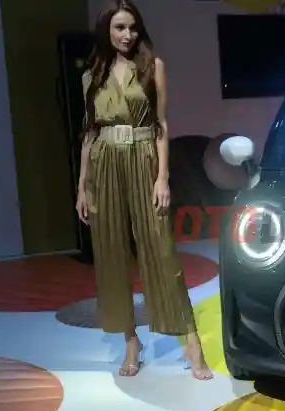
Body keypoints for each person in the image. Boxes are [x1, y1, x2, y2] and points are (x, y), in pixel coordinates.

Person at [75, 0, 212, 380]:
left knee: (161, 251)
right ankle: (130, 341)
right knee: (111, 253)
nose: (127, 35)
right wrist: (82, 185)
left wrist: (162, 177)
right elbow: (90, 132)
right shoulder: (92, 74)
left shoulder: (153, 67)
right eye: (119, 27)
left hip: (143, 158)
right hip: (104, 164)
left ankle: (190, 341)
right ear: (106, 30)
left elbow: (161, 125)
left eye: (132, 27)